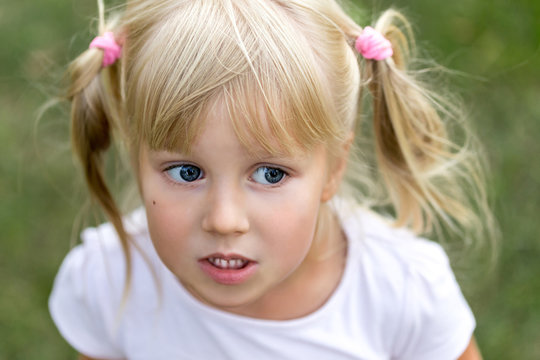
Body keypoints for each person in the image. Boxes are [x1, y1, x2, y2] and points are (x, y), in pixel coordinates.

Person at [48, 0, 494, 358]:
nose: (224, 221)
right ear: (136, 157)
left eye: (270, 173)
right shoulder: (111, 280)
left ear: (334, 166)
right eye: (187, 172)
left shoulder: (403, 295)